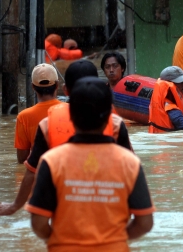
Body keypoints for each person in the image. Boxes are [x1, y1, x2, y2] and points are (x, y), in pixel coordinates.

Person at [26, 77, 154, 250]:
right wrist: (113, 239)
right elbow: (144, 223)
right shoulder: (129, 162)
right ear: (110, 114)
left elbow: (38, 223)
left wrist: (61, 239)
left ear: (70, 114)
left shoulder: (51, 161)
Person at [0, 60, 133, 219]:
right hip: (107, 207)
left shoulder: (48, 123)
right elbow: (132, 169)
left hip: (66, 209)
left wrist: (15, 206)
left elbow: (30, 169)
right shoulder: (115, 121)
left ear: (65, 89)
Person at [14, 64, 62, 163]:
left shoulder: (24, 116)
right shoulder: (71, 110)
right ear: (57, 85)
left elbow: (22, 158)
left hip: (40, 170)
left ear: (33, 87)